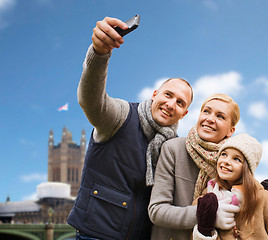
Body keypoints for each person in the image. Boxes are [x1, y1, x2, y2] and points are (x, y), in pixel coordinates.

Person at [67, 17, 194, 240]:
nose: (171, 104)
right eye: (168, 94)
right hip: (96, 234)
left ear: (184, 114)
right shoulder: (122, 116)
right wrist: (99, 53)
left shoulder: (173, 147)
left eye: (180, 103)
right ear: (155, 94)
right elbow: (90, 100)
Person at [148, 93, 242, 240]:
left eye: (220, 116)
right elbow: (157, 211)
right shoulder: (173, 149)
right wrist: (206, 214)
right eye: (206, 111)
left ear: (231, 130)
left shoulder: (235, 164)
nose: (210, 119)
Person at [192, 134, 268, 240]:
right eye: (224, 154)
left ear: (247, 169)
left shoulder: (262, 197)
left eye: (237, 159)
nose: (226, 161)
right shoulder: (205, 199)